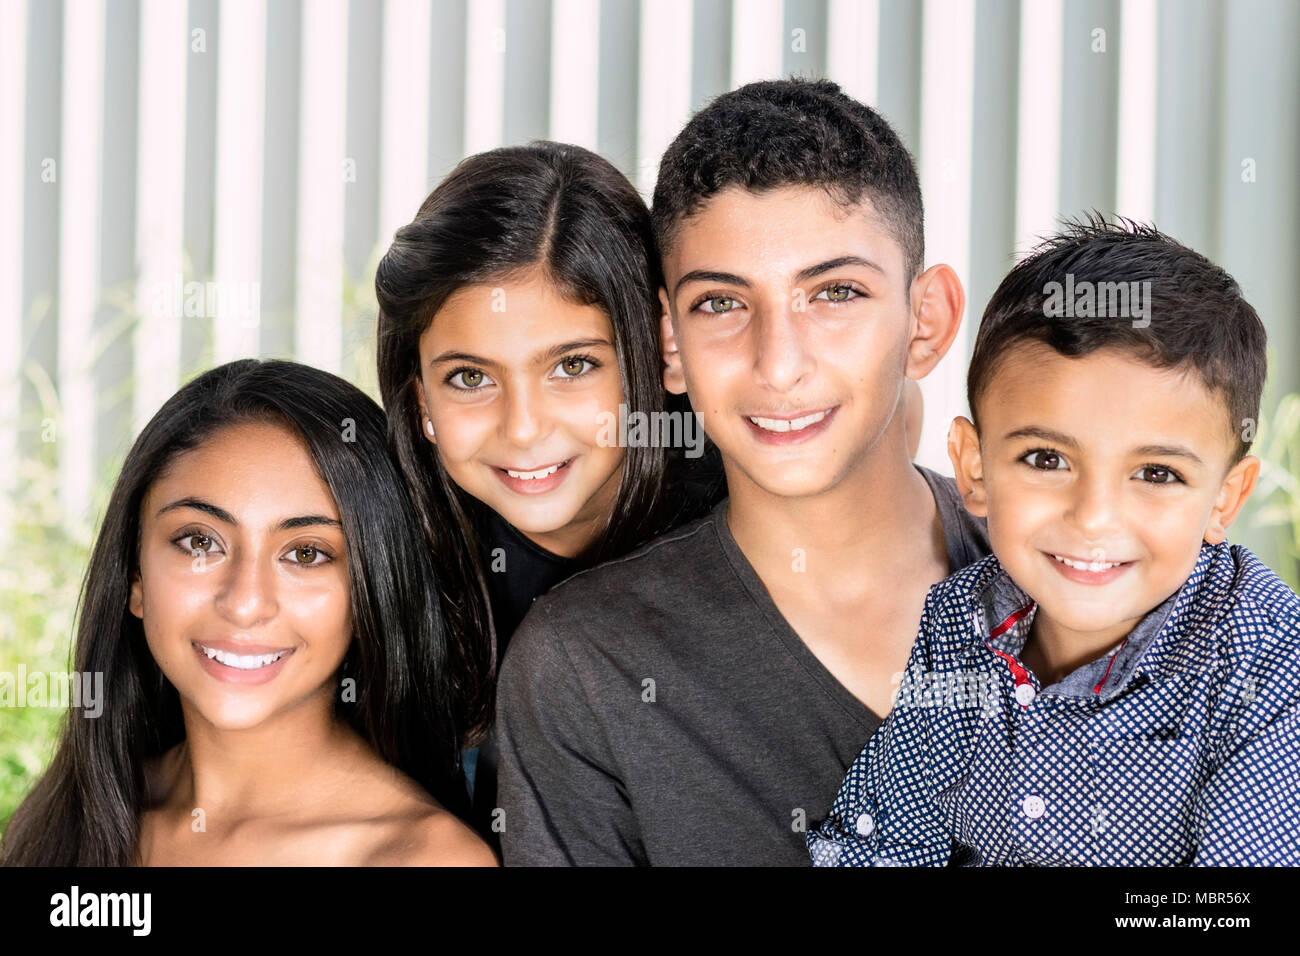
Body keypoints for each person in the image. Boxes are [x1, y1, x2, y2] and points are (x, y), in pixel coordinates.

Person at [494, 78, 989, 865]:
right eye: (722, 304)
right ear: (669, 344)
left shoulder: (1084, 587)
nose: (779, 363)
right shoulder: (586, 668)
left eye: (835, 293)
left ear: (925, 322)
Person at [374, 140, 927, 843]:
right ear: (420, 399)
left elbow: (892, 406)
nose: (522, 428)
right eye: (469, 378)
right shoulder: (383, 558)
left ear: (656, 351)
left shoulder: (746, 487)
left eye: (572, 365)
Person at [808, 217, 1300, 866]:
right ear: (975, 469)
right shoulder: (958, 623)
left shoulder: (1264, 660)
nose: (1094, 518)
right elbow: (883, 840)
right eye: (1046, 459)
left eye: (1156, 474)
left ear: (1225, 499)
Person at [0, 360, 495, 866]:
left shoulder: (426, 859)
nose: (244, 603)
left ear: (373, 589)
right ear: (136, 577)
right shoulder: (74, 811)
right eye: (199, 541)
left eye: (306, 553)